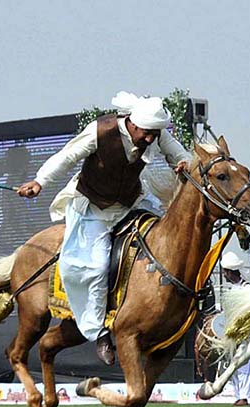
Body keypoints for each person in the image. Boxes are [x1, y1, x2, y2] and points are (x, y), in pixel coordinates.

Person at [17, 91, 192, 366]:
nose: (149, 140)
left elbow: (178, 154)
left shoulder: (155, 132)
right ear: (132, 123)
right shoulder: (100, 131)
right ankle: (99, 332)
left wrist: (183, 163)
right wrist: (39, 181)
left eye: (153, 135)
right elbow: (67, 156)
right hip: (94, 209)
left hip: (132, 202)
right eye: (145, 133)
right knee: (95, 267)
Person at [220, 251, 250, 406]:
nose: (224, 274)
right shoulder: (232, 289)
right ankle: (238, 395)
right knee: (234, 366)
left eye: (225, 271)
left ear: (230, 272)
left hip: (245, 334)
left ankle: (244, 396)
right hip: (232, 334)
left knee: (244, 365)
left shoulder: (247, 288)